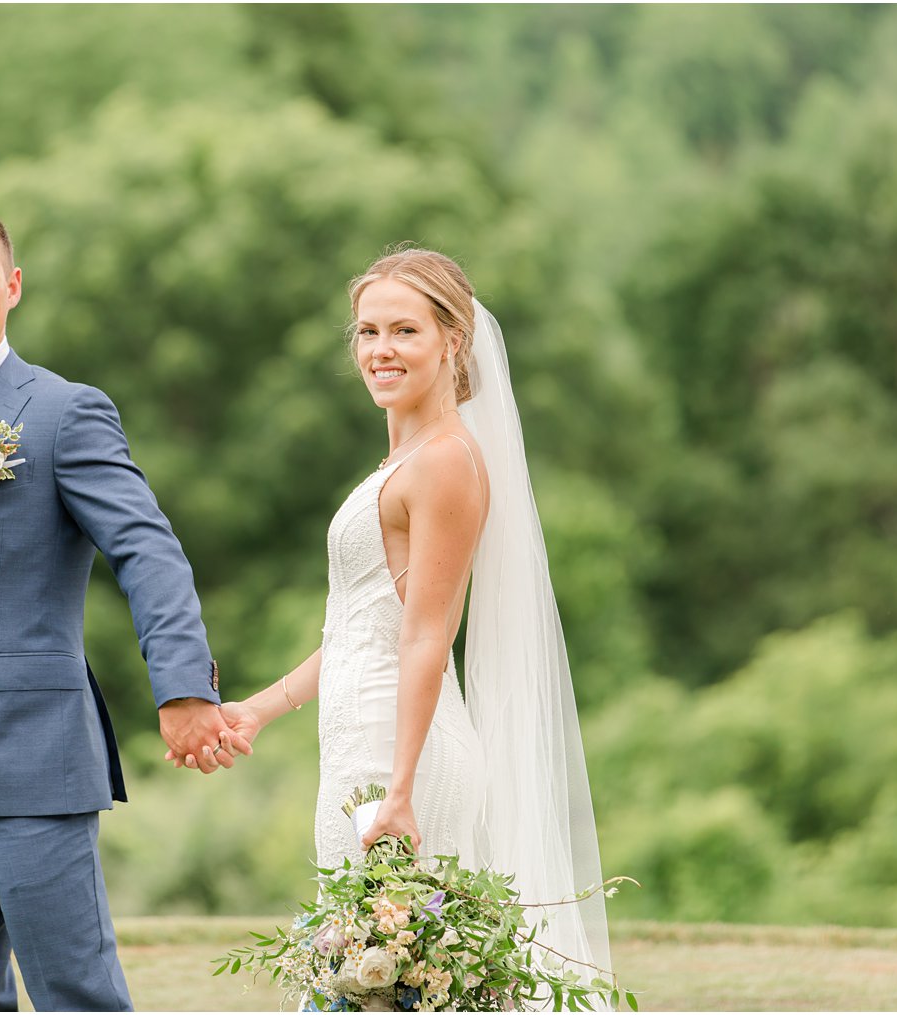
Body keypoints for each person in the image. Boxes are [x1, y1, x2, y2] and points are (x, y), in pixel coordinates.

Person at [0, 201, 244, 1012]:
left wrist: (182, 686)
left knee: (77, 997)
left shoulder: (65, 412)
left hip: (33, 761)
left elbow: (147, 548)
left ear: (13, 287)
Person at [210, 247, 613, 978]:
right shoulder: (410, 458)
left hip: (400, 755)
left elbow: (428, 632)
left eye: (404, 330)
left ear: (452, 340)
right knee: (367, 975)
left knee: (386, 975)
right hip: (360, 741)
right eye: (367, 332)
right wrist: (260, 709)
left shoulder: (447, 461)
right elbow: (364, 627)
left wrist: (399, 790)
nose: (379, 350)